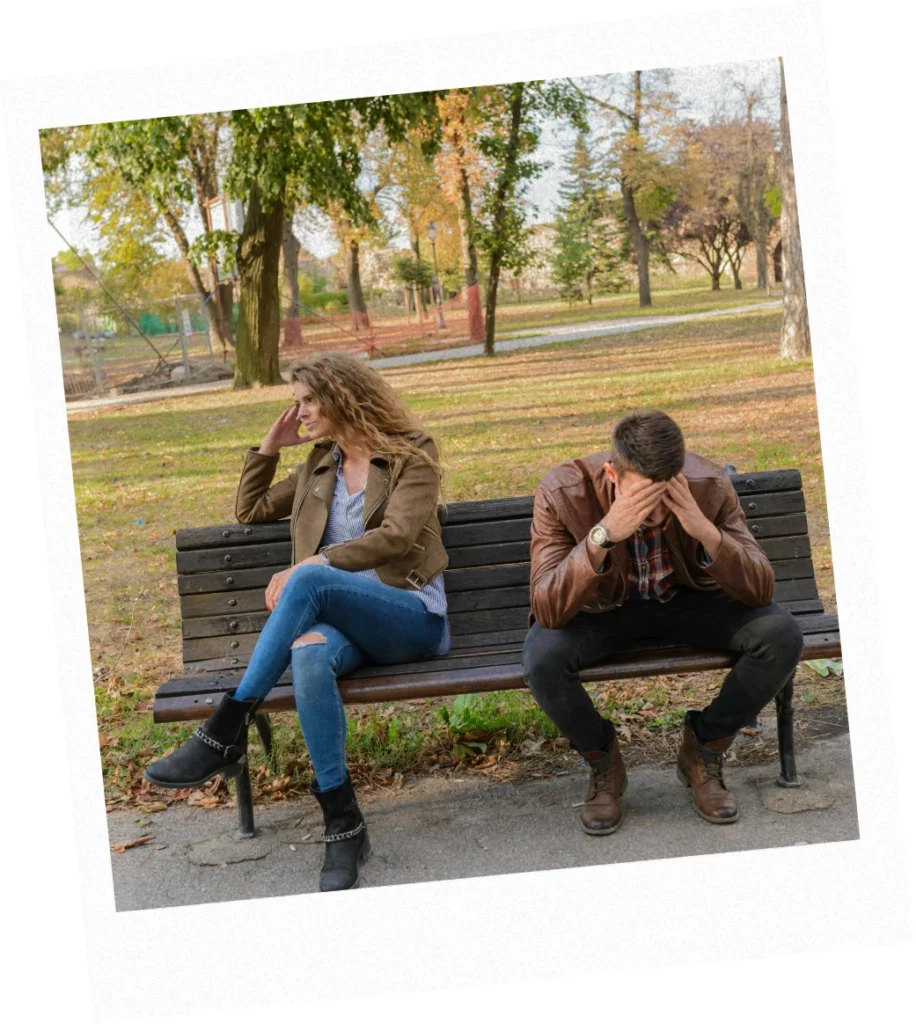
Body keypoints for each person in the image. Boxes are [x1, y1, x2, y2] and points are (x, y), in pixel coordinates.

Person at [145, 351, 451, 891]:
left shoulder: (411, 454)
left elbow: (399, 536)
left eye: (308, 400)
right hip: (344, 622)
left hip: (409, 616)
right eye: (297, 402)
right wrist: (269, 447)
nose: (300, 411)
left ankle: (225, 727)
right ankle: (343, 822)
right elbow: (252, 509)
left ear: (343, 396)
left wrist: (319, 560)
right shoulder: (319, 464)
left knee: (309, 579)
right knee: (309, 653)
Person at [522, 410, 803, 836]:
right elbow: (548, 608)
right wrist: (603, 535)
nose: (653, 513)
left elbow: (760, 588)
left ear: (679, 474)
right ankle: (603, 762)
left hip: (685, 603)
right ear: (613, 473)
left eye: (665, 496)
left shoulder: (707, 484)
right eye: (641, 499)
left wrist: (704, 530)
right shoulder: (564, 491)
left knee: (781, 635)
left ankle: (703, 750)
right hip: (601, 612)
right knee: (543, 658)